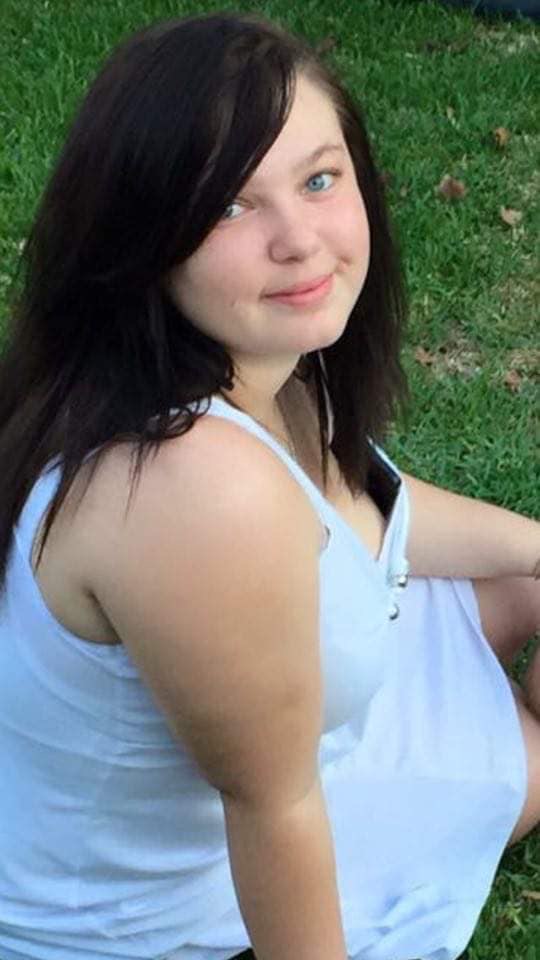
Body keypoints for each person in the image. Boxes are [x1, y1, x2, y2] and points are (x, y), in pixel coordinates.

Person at [0, 11, 538, 960]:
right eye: (229, 206)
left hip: (247, 724)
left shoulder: (237, 361)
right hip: (167, 916)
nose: (300, 240)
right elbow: (274, 805)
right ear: (144, 237)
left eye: (319, 179)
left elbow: (366, 508)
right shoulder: (190, 485)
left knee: (521, 579)